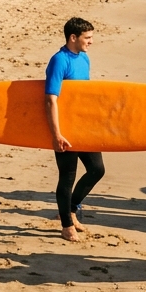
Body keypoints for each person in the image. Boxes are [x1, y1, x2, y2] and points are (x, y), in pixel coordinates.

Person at [45, 17, 104, 242]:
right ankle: (66, 225)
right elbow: (51, 100)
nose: (90, 42)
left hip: (84, 127)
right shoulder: (59, 61)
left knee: (97, 169)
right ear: (73, 38)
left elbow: (84, 95)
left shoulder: (84, 58)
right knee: (67, 177)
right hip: (65, 128)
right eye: (87, 38)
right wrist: (56, 134)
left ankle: (71, 209)